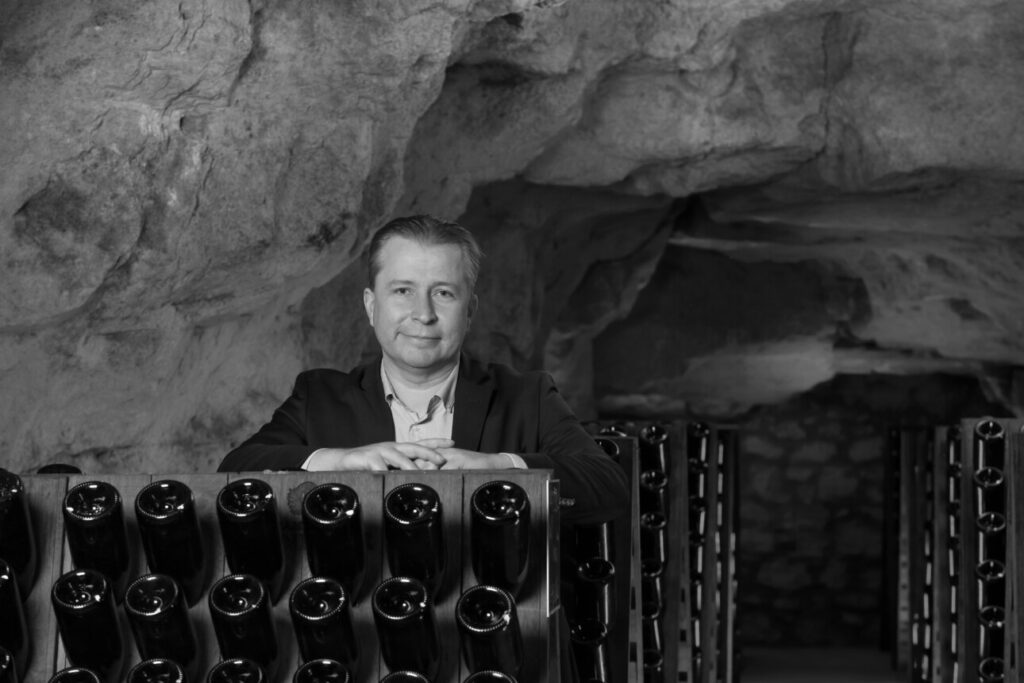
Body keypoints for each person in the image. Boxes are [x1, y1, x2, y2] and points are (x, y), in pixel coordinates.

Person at [218, 214, 628, 527]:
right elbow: (234, 472)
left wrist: (501, 468)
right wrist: (339, 460)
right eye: (403, 291)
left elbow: (608, 487)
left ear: (470, 311)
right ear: (370, 305)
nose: (423, 314)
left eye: (444, 294)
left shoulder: (526, 396)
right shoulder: (318, 397)